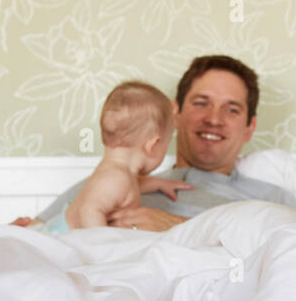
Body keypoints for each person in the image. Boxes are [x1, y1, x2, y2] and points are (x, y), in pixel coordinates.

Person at [14, 56, 296, 231]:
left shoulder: (272, 200)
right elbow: (42, 233)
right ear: (175, 113)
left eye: (232, 109)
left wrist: (180, 228)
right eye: (201, 103)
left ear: (250, 128)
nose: (214, 119)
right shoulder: (117, 180)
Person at [27, 80, 193, 234]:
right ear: (153, 145)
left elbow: (134, 185)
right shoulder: (116, 178)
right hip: (60, 234)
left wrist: (159, 184)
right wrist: (102, 244)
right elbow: (89, 210)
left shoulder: (120, 173)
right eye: (168, 140)